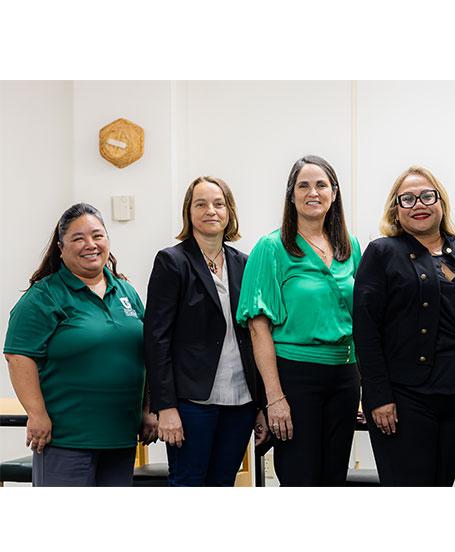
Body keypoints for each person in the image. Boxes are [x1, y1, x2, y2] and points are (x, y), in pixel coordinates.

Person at [3, 203, 157, 486]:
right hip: (66, 439)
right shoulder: (44, 296)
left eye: (97, 236)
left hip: (121, 437)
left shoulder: (125, 291)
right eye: (78, 238)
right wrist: (36, 414)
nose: (90, 244)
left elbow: (146, 354)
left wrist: (147, 410)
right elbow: (18, 356)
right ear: (61, 248)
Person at [354, 166, 455, 486]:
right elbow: (365, 330)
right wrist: (378, 396)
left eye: (427, 196)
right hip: (404, 398)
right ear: (396, 210)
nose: (419, 204)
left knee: (442, 484)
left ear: (441, 202)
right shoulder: (382, 252)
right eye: (408, 199)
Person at [236, 155, 361, 486]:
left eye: (321, 185)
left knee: (334, 478)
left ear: (334, 193)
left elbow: (361, 319)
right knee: (300, 477)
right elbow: (257, 329)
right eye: (303, 185)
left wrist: (364, 385)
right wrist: (275, 398)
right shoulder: (271, 248)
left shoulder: (350, 247)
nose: (313, 192)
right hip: (295, 377)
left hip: (345, 377)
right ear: (291, 195)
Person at [145, 176, 267, 486]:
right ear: (189, 212)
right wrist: (165, 407)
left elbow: (257, 334)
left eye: (218, 204)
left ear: (229, 212)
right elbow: (156, 339)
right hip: (191, 403)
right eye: (200, 204)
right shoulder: (172, 262)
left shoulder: (245, 263)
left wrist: (261, 405)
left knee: (223, 483)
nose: (210, 210)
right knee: (188, 483)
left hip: (240, 401)